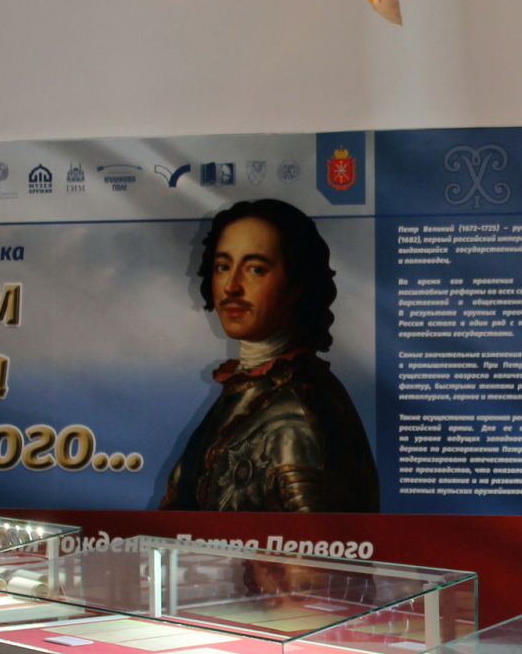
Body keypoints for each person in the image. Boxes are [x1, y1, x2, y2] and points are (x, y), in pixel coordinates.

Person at [161, 199, 379, 513]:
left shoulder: (299, 410)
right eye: (223, 266)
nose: (231, 287)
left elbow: (319, 541)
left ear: (296, 285)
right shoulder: (244, 391)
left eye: (256, 269)